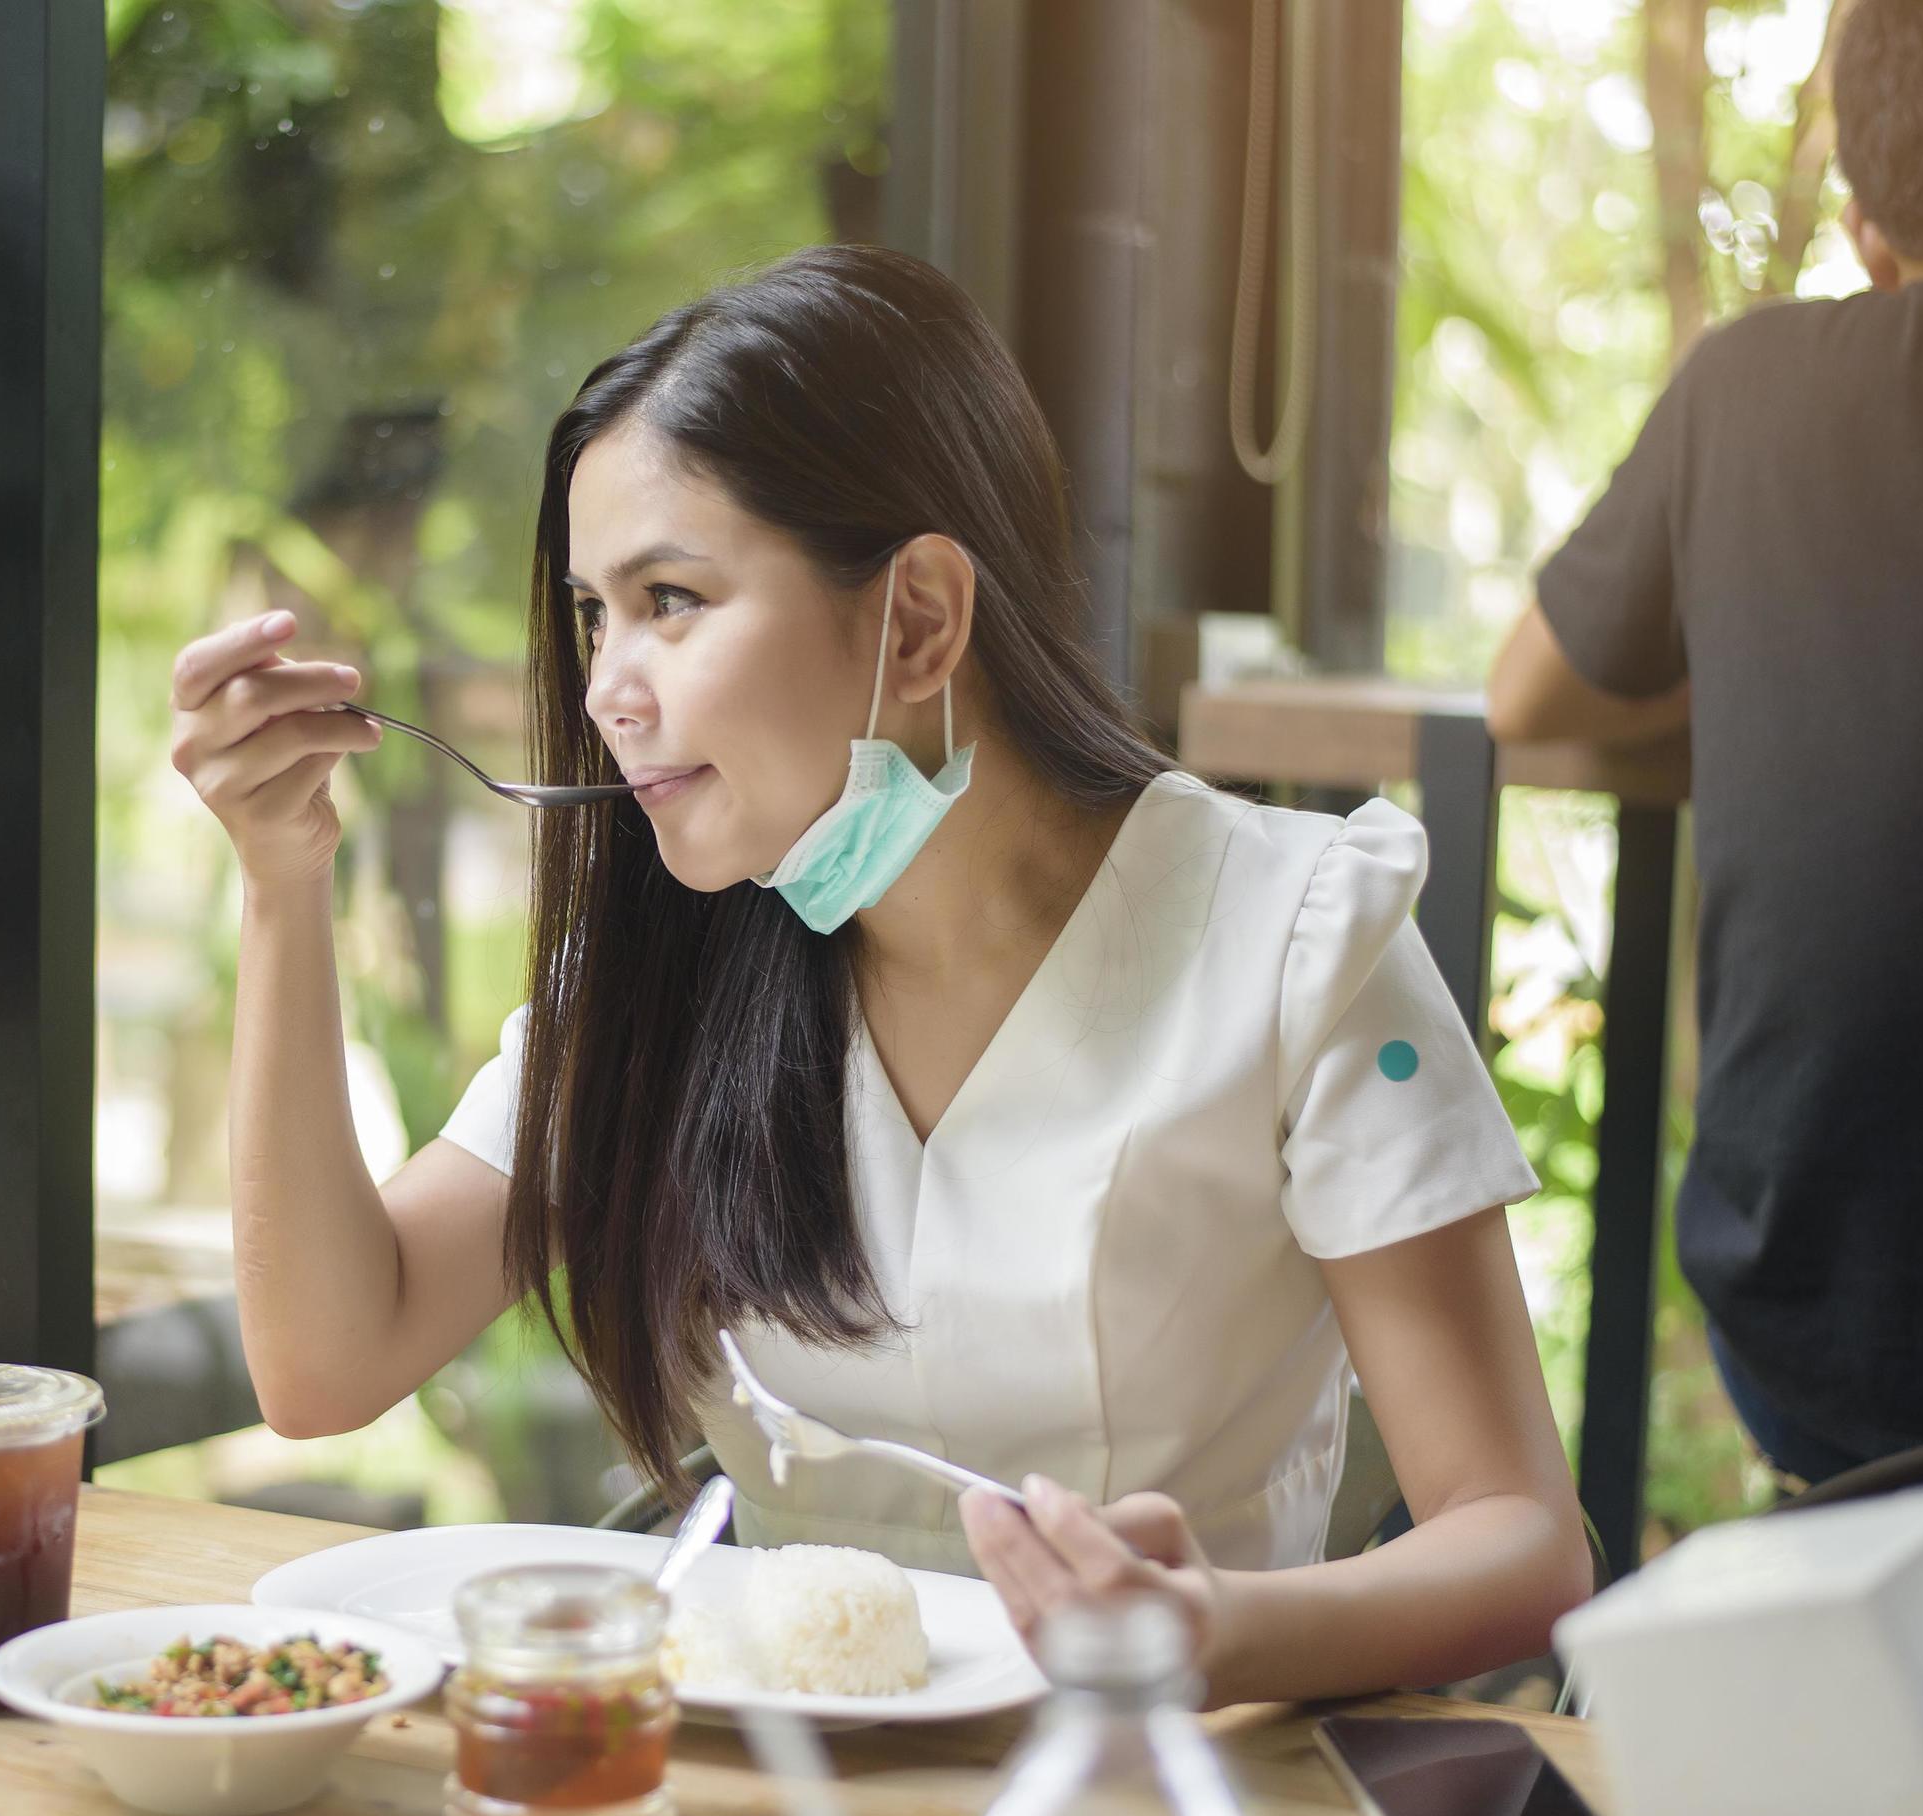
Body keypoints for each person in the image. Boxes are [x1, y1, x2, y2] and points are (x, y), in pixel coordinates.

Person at [175, 244, 1589, 1706]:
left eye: (671, 598)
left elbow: (1519, 1540)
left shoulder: (1299, 939)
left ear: (917, 618)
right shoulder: (668, 972)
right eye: (595, 612)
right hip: (758, 1810)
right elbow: (327, 1364)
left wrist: (1215, 1632)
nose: (605, 687)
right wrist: (283, 886)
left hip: (1155, 1799)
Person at [1486, 0, 1923, 1485]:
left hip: (1833, 1348)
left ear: (1869, 229)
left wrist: (1780, 651)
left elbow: (1527, 699)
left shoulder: (1753, 385)